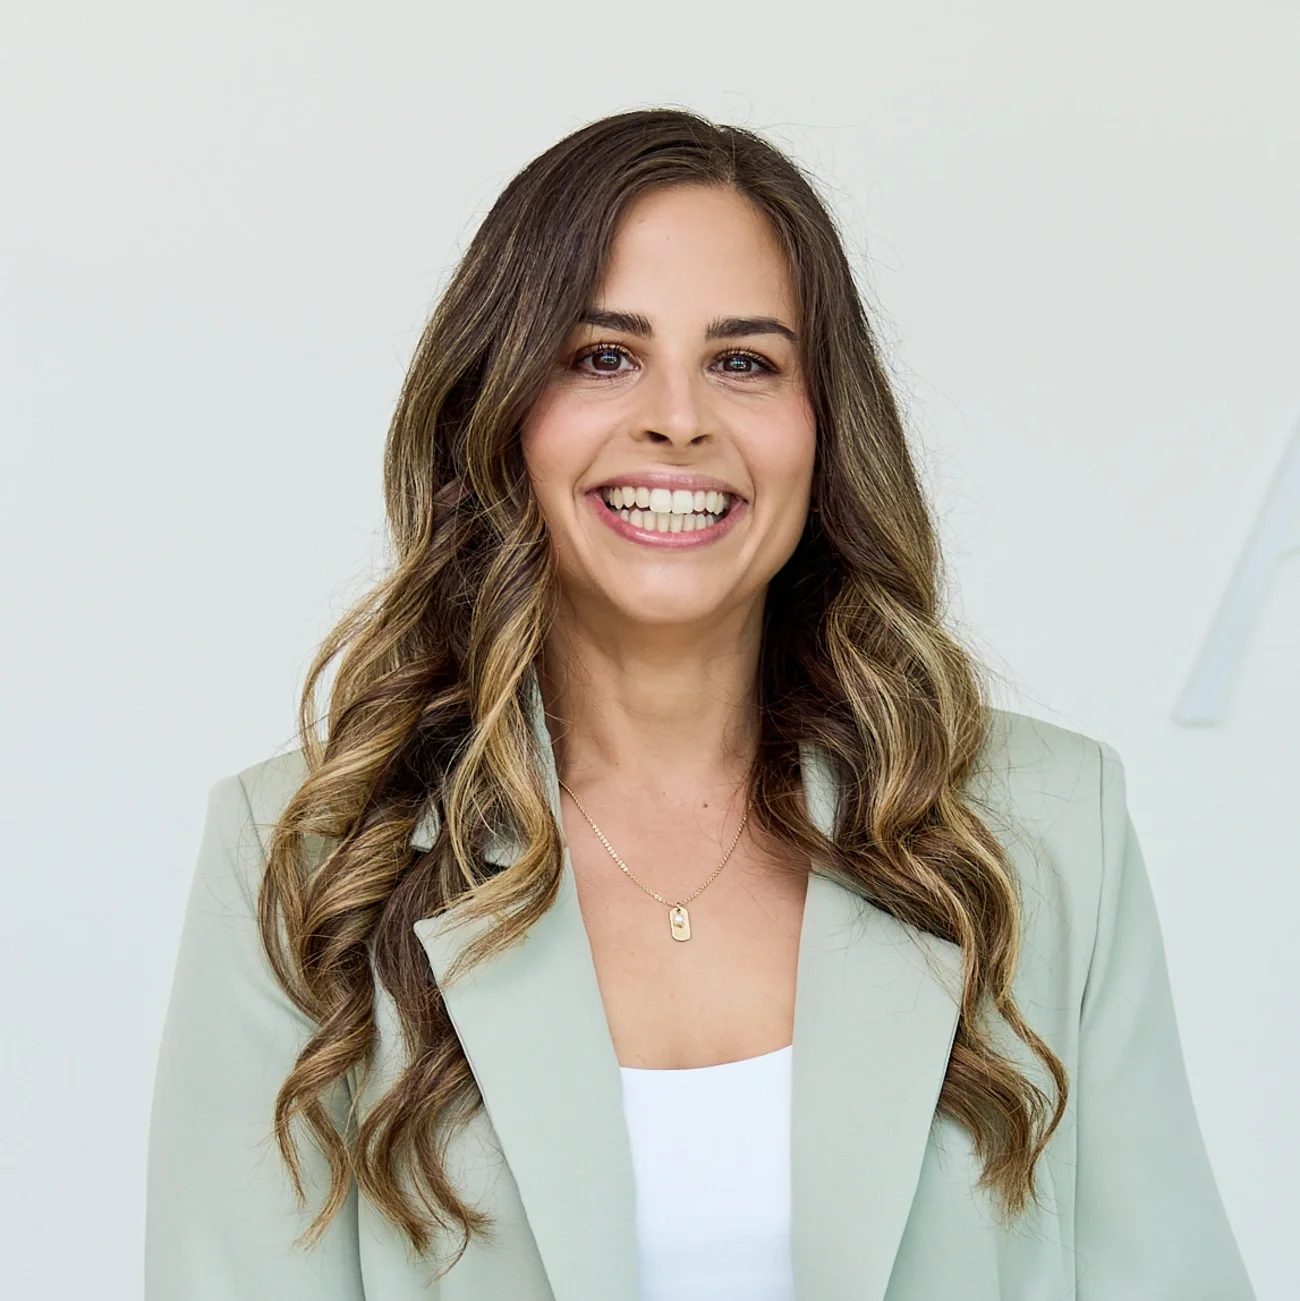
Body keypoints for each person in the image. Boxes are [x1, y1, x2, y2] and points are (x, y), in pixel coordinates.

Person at [144, 108, 1256, 1301]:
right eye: (603, 356)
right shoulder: (308, 859)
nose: (678, 418)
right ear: (501, 413)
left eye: (743, 361)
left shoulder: (1044, 831)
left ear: (823, 431)